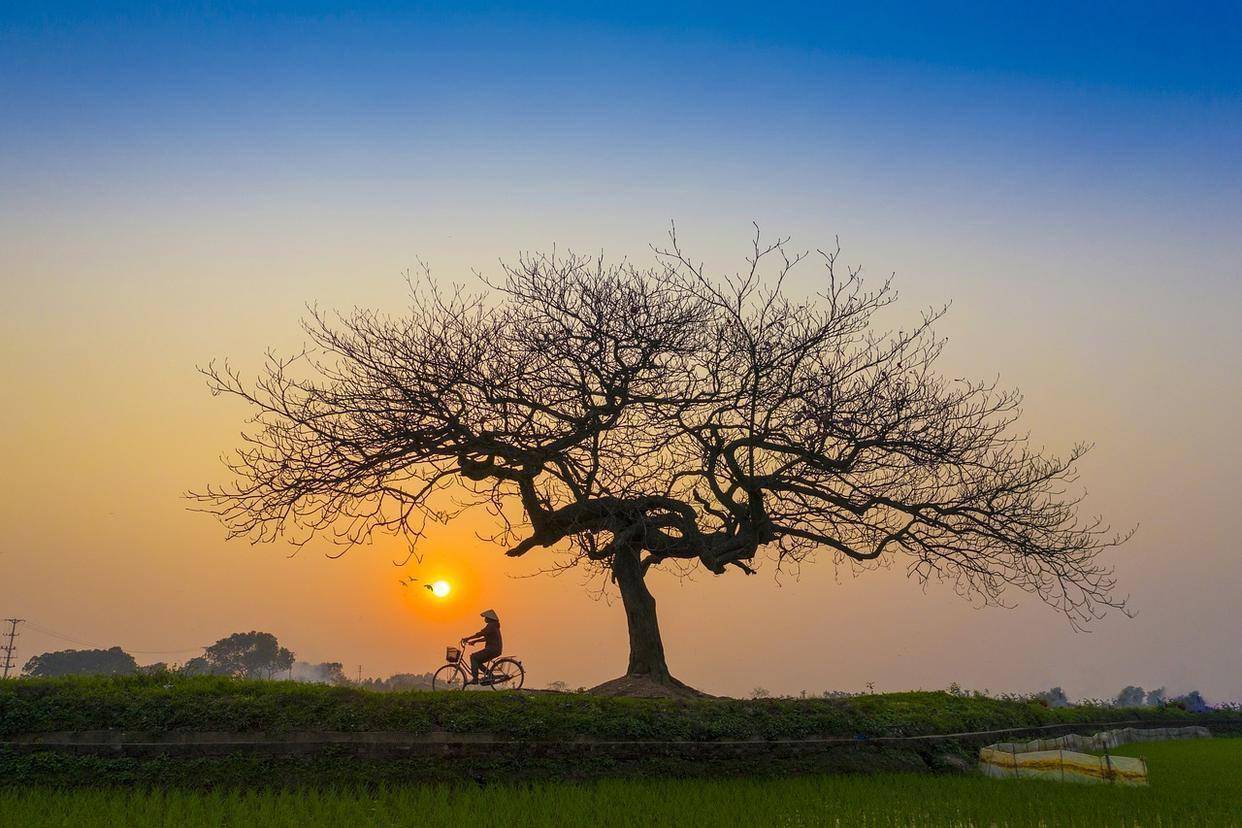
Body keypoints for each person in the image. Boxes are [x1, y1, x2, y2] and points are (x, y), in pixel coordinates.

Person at [463, 609, 502, 685]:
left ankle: (475, 679)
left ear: (489, 618)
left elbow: (481, 633)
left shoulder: (491, 626)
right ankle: (491, 676)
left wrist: (468, 638)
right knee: (478, 662)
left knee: (473, 657)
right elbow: (486, 638)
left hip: (492, 649)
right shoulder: (494, 626)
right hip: (495, 649)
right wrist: (475, 641)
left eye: (485, 617)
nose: (484, 619)